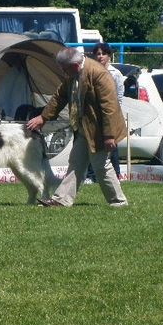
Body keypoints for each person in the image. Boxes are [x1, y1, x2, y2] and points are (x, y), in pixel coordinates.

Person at [27, 47, 128, 207]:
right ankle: (61, 200)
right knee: (76, 164)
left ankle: (118, 202)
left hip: (100, 129)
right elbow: (60, 96)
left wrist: (109, 135)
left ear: (75, 64)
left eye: (64, 69)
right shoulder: (72, 74)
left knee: (101, 166)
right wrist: (43, 117)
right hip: (83, 127)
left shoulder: (99, 74)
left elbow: (109, 107)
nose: (63, 72)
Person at [91, 42, 124, 178]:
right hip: (95, 115)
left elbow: (119, 96)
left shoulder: (115, 74)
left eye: (103, 54)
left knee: (112, 145)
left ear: (109, 56)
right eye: (98, 54)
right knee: (93, 145)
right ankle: (91, 175)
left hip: (111, 114)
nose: (100, 57)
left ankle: (116, 174)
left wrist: (115, 115)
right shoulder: (91, 72)